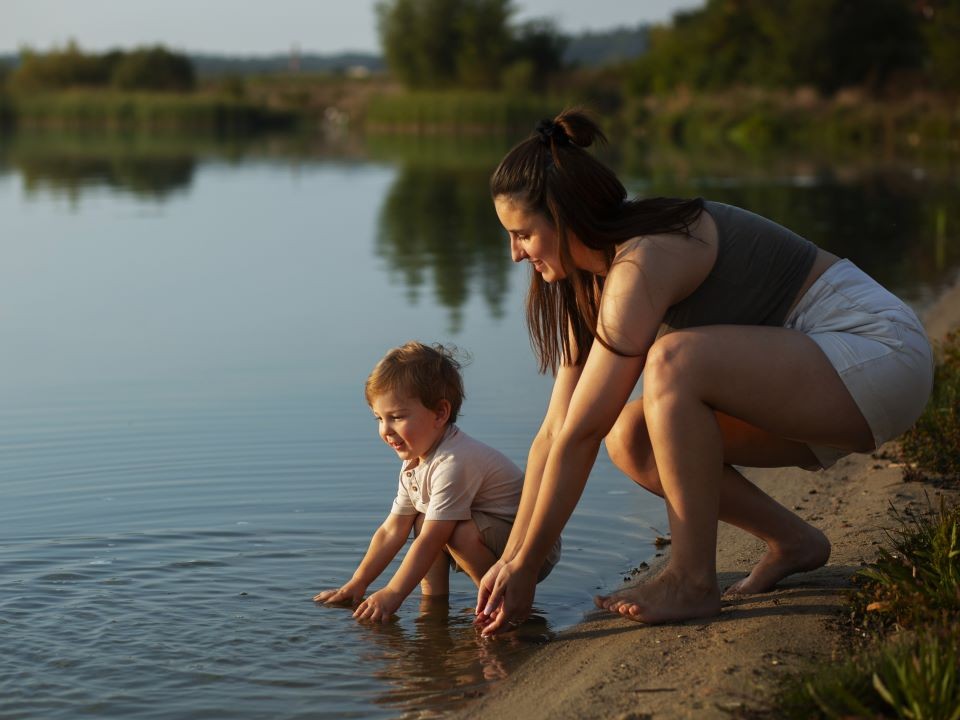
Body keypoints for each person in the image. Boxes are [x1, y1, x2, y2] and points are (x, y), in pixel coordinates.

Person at [474, 107, 934, 637]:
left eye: (523, 234)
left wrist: (529, 567)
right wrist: (510, 563)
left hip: (876, 352)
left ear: (564, 217)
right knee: (632, 435)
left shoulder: (643, 260)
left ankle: (691, 581)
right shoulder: (590, 284)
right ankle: (793, 541)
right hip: (813, 381)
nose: (514, 254)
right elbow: (557, 430)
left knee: (674, 361)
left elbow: (580, 434)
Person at [314, 341, 560, 623]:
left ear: (440, 413)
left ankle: (500, 603)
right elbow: (392, 530)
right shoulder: (415, 462)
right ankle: (433, 607)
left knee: (450, 531)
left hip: (531, 552)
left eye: (396, 417)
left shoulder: (454, 462)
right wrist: (357, 583)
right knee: (420, 521)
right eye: (379, 418)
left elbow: (433, 539)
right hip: (494, 538)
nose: (385, 430)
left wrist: (393, 592)